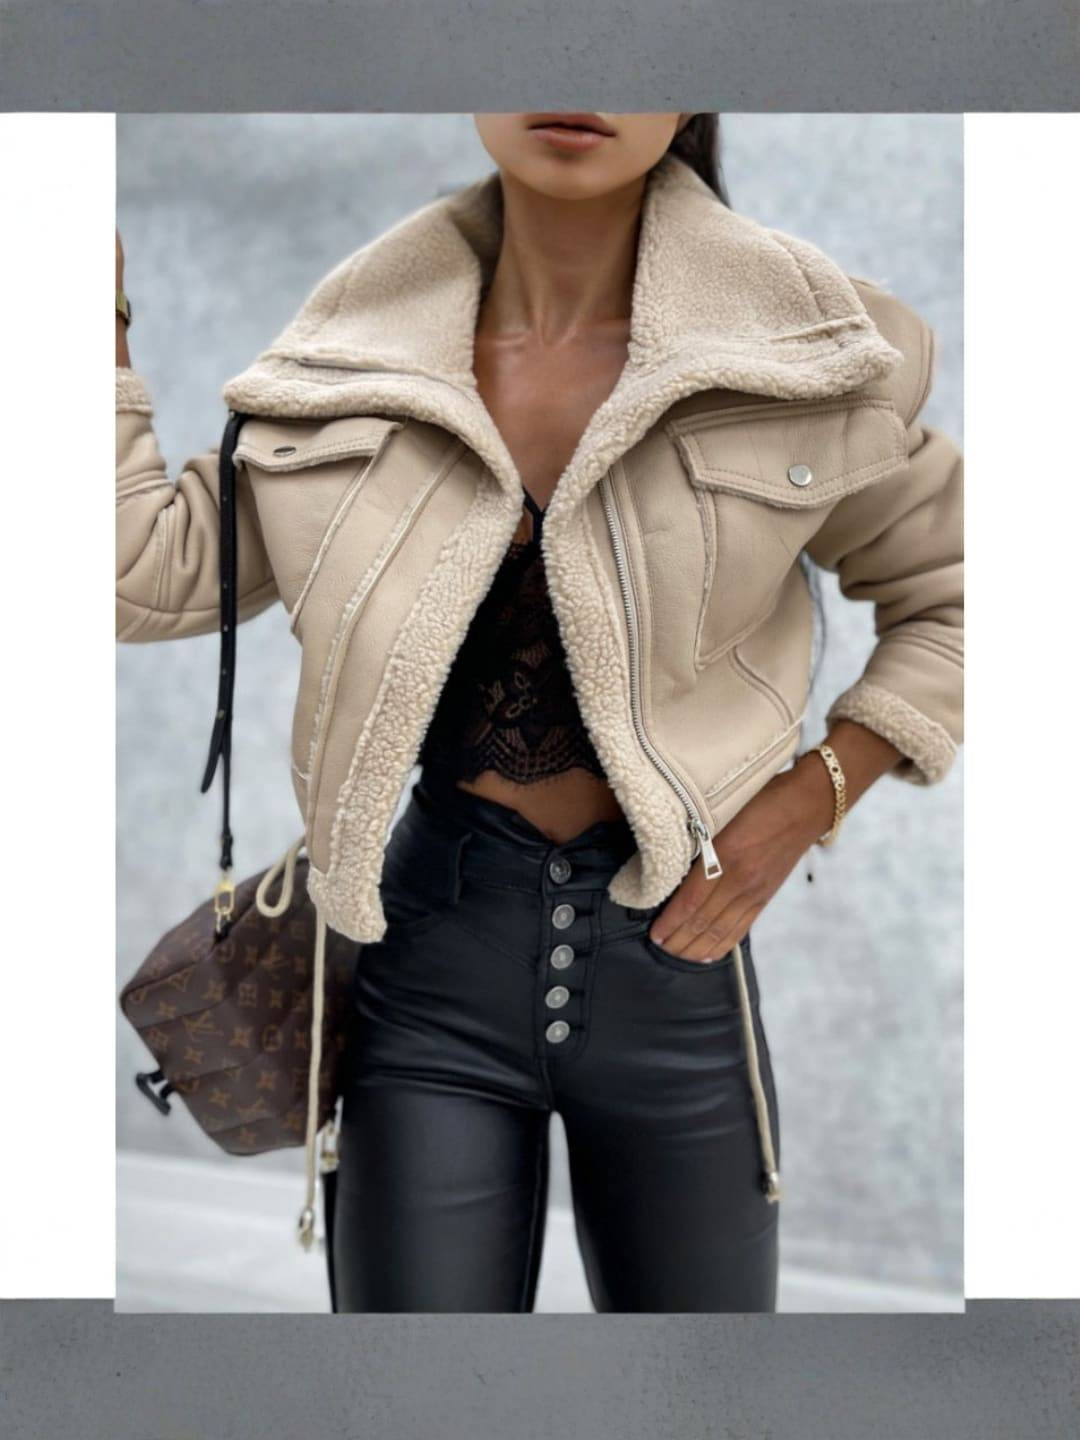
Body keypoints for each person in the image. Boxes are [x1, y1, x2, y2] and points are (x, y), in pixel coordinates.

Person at [115, 112, 963, 1312]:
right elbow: (138, 573)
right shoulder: (353, 364)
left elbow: (966, 591)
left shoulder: (801, 355)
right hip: (425, 974)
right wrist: (89, 311)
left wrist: (806, 801)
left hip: (676, 972)